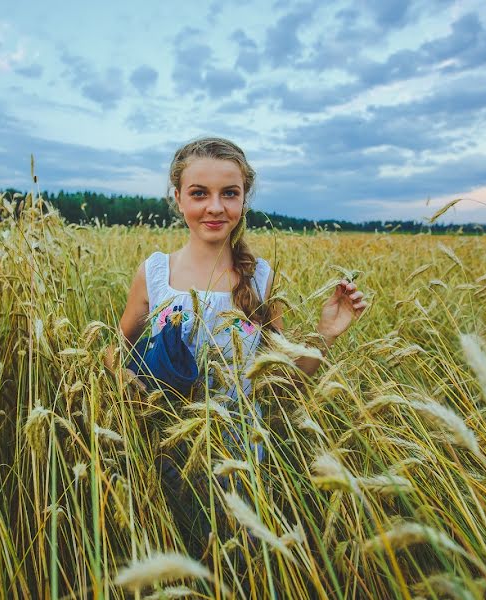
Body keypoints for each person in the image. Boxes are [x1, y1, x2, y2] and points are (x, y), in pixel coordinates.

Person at [115, 136, 367, 558]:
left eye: (229, 193)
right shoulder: (156, 273)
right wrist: (122, 375)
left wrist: (325, 334)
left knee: (237, 556)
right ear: (178, 199)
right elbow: (116, 346)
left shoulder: (261, 277)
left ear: (243, 199)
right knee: (172, 549)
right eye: (199, 193)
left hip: (241, 456)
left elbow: (282, 375)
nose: (215, 207)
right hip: (163, 446)